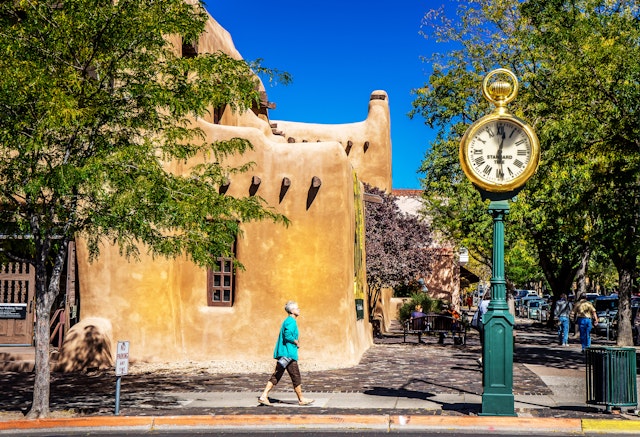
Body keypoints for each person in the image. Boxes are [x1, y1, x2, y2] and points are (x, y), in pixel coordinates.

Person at [258, 301, 314, 406]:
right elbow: (287, 335)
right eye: (297, 308)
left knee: (279, 375)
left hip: (286, 354)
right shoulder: (291, 321)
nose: (299, 310)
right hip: (288, 354)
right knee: (294, 376)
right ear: (292, 311)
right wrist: (295, 341)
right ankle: (301, 399)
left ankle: (264, 396)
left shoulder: (288, 321)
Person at [474, 291, 491, 366]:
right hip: (488, 324)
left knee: (483, 343)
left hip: (480, 324)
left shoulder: (482, 302)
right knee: (489, 343)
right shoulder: (491, 303)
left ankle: (483, 358)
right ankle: (484, 358)